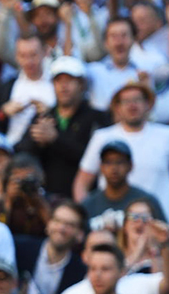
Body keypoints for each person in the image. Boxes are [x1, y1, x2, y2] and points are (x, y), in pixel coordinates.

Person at [73, 82, 169, 217]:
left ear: (148, 104)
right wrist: (86, 219)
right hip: (110, 229)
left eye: (137, 100)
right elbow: (81, 183)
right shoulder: (101, 137)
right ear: (117, 108)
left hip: (158, 225)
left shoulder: (167, 134)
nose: (132, 105)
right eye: (126, 101)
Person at [15, 55, 109, 200]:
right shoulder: (44, 117)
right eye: (58, 81)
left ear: (81, 84)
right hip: (47, 197)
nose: (63, 86)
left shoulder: (97, 117)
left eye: (69, 80)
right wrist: (37, 142)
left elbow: (96, 158)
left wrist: (56, 139)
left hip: (83, 197)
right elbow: (23, 151)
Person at [17, 199, 87, 294]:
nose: (61, 228)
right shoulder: (21, 248)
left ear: (80, 235)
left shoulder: (80, 272)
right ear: (48, 224)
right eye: (57, 221)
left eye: (69, 225)